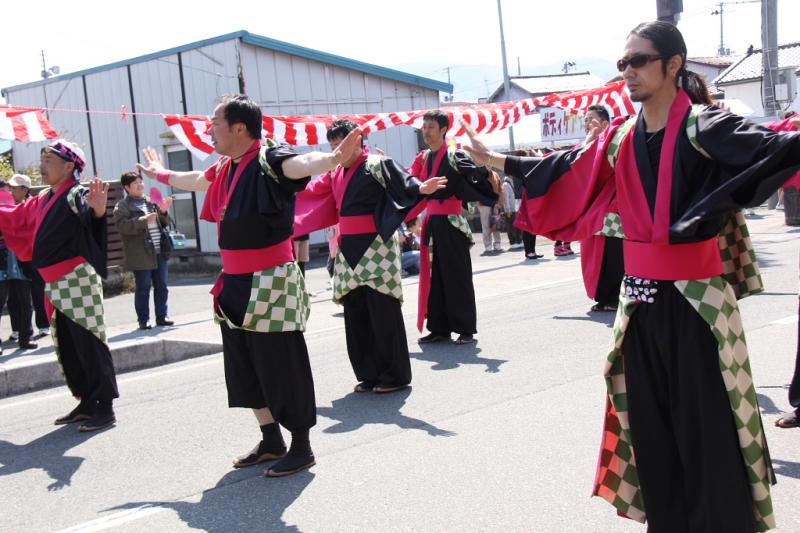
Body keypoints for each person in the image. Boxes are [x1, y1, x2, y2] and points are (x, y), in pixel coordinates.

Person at [464, 21, 800, 532]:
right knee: (650, 425)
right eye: (623, 63)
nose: (628, 71)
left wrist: (714, 204)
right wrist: (498, 160)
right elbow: (567, 167)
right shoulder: (620, 136)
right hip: (639, 300)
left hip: (699, 303)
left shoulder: (703, 126)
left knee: (707, 425)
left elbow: (778, 149)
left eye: (639, 60)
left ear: (673, 65)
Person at [137, 94, 363, 477]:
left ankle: (302, 446)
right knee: (244, 365)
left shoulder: (269, 157)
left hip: (272, 279)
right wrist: (159, 173)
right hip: (235, 281)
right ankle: (271, 439)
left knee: (281, 363)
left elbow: (299, 165)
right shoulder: (227, 167)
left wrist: (330, 159)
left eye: (215, 123)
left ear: (240, 128)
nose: (210, 129)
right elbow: (194, 180)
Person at [294, 119, 446, 394]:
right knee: (356, 315)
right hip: (347, 250)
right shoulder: (335, 172)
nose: (336, 151)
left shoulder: (377, 164)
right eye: (332, 147)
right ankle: (369, 373)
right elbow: (310, 194)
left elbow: (404, 182)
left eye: (340, 144)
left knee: (382, 312)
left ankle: (395, 375)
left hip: (376, 246)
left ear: (358, 140)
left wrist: (422, 188)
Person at [0, 140, 118, 432]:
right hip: (53, 282)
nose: (42, 164)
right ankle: (86, 401)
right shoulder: (42, 198)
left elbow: (88, 214)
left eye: (48, 159)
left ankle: (105, 407)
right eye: (42, 158)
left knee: (88, 342)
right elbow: (14, 217)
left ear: (69, 166)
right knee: (67, 345)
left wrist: (99, 212)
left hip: (76, 279)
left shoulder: (75, 194)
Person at [408, 110, 497, 345]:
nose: (426, 131)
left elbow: (474, 175)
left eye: (431, 127)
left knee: (457, 276)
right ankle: (439, 328)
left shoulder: (455, 155)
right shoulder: (424, 158)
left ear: (443, 130)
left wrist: (485, 167)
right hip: (432, 223)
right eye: (424, 127)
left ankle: (466, 328)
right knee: (434, 277)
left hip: (451, 221)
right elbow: (411, 181)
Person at [578, 106, 625, 312]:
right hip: (594, 209)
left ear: (605, 124)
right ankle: (603, 296)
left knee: (613, 255)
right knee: (596, 256)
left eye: (592, 120)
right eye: (586, 120)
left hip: (614, 205)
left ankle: (614, 297)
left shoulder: (615, 141)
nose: (588, 124)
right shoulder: (588, 145)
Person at [113, 172, 174, 330]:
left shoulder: (150, 200)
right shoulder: (122, 205)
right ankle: (144, 320)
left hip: (159, 249)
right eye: (135, 183)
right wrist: (144, 220)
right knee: (143, 287)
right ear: (127, 187)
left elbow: (163, 223)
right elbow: (122, 226)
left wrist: (164, 212)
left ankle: (162, 316)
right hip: (140, 252)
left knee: (162, 285)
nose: (140, 185)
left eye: (141, 181)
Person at [7, 174, 49, 340]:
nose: (11, 191)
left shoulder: (34, 205)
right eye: (10, 188)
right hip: (12, 256)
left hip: (33, 254)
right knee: (16, 295)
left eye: (15, 188)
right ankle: (17, 328)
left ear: (24, 190)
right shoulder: (7, 205)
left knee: (38, 290)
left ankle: (44, 325)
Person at [0, 179, 37, 355]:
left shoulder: (23, 208)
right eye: (7, 191)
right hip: (1, 263)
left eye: (11, 190)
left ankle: (26, 337)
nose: (10, 194)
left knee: (25, 302)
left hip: (20, 261)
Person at [477, 170, 503, 255]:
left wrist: (500, 202)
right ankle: (488, 246)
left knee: (496, 223)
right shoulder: (479, 174)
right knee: (486, 225)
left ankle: (498, 244)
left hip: (495, 203)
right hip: (484, 203)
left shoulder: (495, 174)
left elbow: (500, 189)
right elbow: (478, 191)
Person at [501, 173, 522, 249]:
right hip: (511, 209)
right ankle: (513, 242)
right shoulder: (505, 184)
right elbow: (505, 198)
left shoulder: (515, 182)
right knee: (511, 226)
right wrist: (507, 210)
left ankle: (519, 241)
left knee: (518, 226)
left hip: (517, 208)